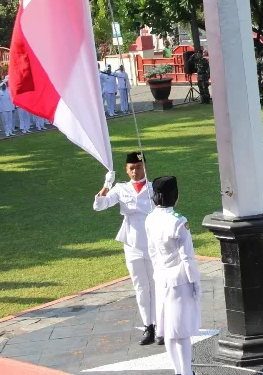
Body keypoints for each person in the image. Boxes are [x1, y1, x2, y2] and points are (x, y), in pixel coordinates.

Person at [94, 152, 158, 345]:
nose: (134, 171)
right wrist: (107, 185)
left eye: (138, 167)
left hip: (153, 241)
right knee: (140, 286)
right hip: (131, 243)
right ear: (126, 169)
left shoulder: (154, 187)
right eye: (131, 168)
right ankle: (149, 326)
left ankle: (161, 325)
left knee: (156, 285)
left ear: (144, 167)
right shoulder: (121, 188)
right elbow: (99, 205)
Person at [145, 176, 201, 375]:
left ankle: (178, 371)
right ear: (175, 196)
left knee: (168, 330)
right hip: (180, 280)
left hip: (161, 277)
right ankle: (186, 373)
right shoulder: (179, 221)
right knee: (182, 331)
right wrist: (195, 282)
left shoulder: (150, 218)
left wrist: (157, 273)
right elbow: (187, 257)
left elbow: (152, 251)